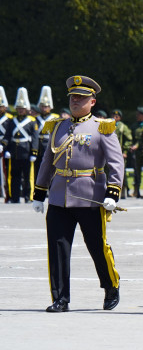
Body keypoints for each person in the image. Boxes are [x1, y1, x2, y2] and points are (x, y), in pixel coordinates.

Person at [32, 75, 124, 312]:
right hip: (59, 196)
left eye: (81, 98)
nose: (76, 101)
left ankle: (110, 286)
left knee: (96, 246)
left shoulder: (103, 128)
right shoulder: (57, 127)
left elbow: (116, 163)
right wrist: (40, 192)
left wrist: (112, 193)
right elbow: (47, 161)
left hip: (90, 196)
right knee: (58, 248)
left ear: (92, 101)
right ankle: (61, 298)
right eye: (73, 97)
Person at [2, 88, 39, 203]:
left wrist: (34, 152)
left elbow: (35, 138)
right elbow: (7, 136)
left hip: (26, 152)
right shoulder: (12, 121)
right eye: (19, 108)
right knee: (14, 177)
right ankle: (15, 197)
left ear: (26, 109)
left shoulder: (32, 121)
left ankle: (28, 197)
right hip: (14, 152)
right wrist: (6, 148)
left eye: (22, 108)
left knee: (28, 177)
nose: (20, 110)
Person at [34, 86, 58, 181]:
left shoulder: (55, 118)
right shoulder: (35, 118)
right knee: (38, 169)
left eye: (46, 107)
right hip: (39, 147)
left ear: (50, 107)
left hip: (50, 145)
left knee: (51, 169)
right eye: (43, 106)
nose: (44, 109)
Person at [112, 109, 133, 199]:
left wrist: (125, 151)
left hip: (119, 153)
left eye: (116, 116)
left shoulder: (123, 127)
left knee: (121, 172)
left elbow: (129, 139)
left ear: (120, 118)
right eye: (113, 115)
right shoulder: (108, 126)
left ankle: (123, 190)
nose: (114, 117)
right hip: (110, 152)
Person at [129, 106, 143, 197]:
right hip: (137, 153)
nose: (137, 115)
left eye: (139, 114)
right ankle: (136, 191)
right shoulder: (134, 126)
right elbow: (131, 138)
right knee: (137, 172)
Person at [0, 87, 10, 201]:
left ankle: (7, 194)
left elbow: (9, 135)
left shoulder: (9, 119)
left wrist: (3, 144)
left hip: (4, 148)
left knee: (6, 172)